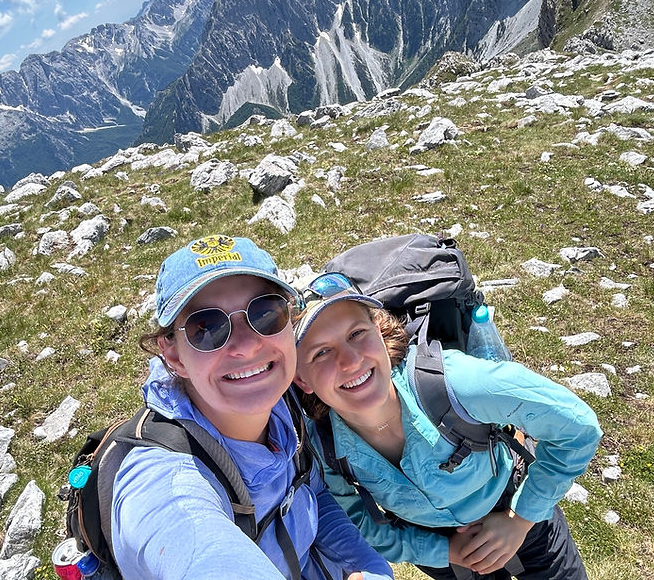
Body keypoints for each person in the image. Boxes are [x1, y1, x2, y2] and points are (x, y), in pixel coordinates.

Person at [111, 234, 394, 580]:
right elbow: (200, 552)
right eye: (207, 328)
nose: (246, 346)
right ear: (173, 355)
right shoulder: (166, 486)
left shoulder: (284, 406)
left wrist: (368, 565)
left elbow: (311, 491)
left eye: (265, 313)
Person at [292, 273, 603, 580]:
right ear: (301, 379)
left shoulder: (457, 384)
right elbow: (356, 522)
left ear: (378, 330)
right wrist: (445, 551)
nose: (349, 361)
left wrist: (519, 520)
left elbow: (577, 426)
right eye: (321, 352)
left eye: (356, 333)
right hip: (445, 558)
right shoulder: (320, 445)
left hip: (526, 520)